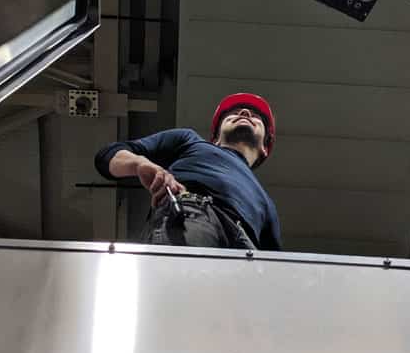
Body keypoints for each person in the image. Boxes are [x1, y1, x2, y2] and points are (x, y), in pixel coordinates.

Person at [95, 92, 281, 251]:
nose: (245, 112)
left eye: (256, 116)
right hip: (192, 216)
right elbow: (107, 156)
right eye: (232, 113)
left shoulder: (266, 203)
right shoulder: (189, 141)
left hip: (247, 247)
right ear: (215, 139)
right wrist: (139, 164)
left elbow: (275, 264)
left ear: (265, 146)